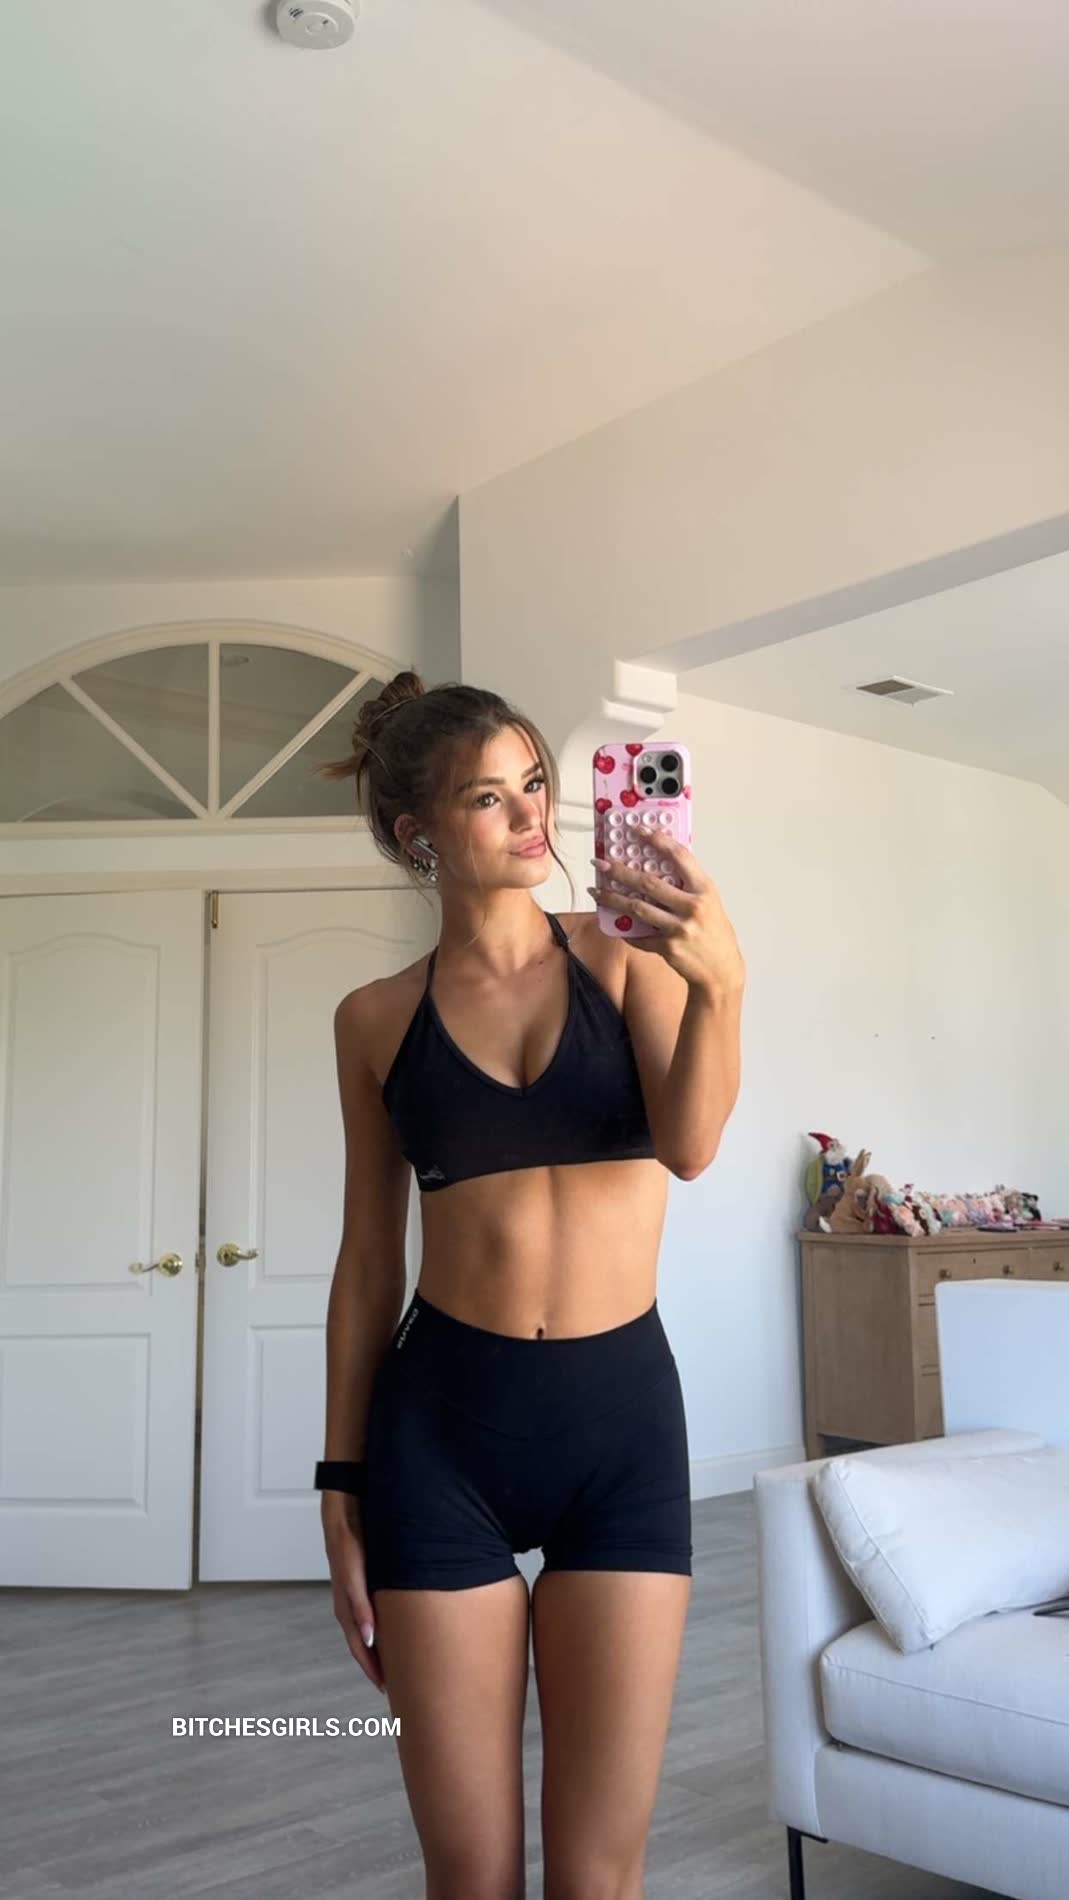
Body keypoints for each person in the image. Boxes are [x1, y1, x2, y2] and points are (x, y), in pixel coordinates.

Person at [315, 672, 745, 1900]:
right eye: (486, 797)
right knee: (472, 1875)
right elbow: (368, 1258)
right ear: (419, 832)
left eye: (535, 784)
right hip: (441, 1434)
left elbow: (691, 1144)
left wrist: (719, 981)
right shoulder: (374, 1019)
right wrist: (339, 1483)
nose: (528, 816)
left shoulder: (623, 953)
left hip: (620, 1426)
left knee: (599, 1874)